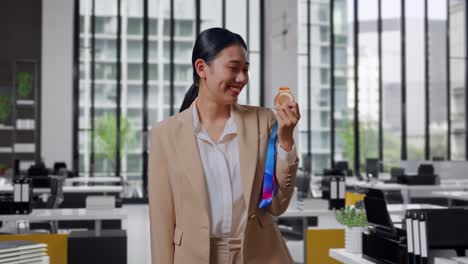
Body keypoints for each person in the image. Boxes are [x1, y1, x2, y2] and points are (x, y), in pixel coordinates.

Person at [148, 27, 300, 264]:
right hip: (195, 257)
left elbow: (276, 205)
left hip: (258, 254)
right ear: (202, 68)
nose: (242, 78)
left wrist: (286, 140)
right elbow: (161, 222)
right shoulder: (165, 135)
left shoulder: (264, 122)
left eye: (246, 69)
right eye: (233, 68)